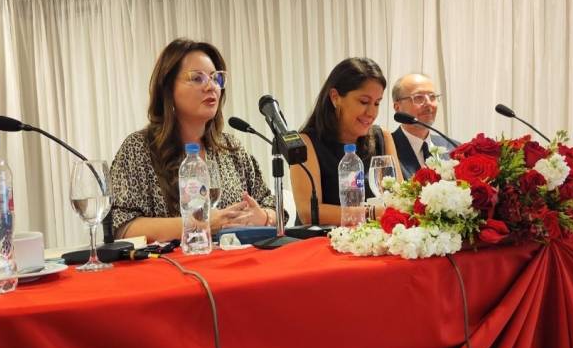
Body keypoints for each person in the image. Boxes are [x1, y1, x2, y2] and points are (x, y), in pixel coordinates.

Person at [110, 38, 279, 242]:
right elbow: (123, 227)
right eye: (197, 78)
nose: (211, 87)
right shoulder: (138, 149)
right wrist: (200, 223)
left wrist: (265, 216)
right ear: (169, 89)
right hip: (171, 269)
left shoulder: (231, 148)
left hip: (234, 264)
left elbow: (271, 203)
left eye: (216, 78)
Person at [290, 57, 403, 225]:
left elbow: (400, 200)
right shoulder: (306, 143)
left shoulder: (383, 138)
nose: (371, 112)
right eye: (364, 102)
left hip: (374, 244)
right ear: (335, 97)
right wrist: (372, 213)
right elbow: (308, 212)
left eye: (377, 103)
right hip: (322, 243)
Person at [391, 73, 457, 179]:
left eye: (432, 97)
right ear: (397, 107)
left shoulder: (454, 148)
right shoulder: (387, 149)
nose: (429, 103)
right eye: (418, 98)